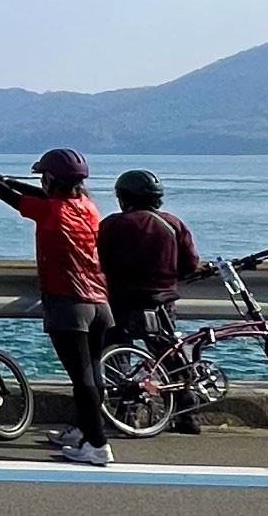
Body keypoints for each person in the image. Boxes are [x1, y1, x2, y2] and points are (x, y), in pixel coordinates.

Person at [0, 149, 113, 465]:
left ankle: (97, 444)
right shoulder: (88, 207)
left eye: (43, 176)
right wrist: (3, 178)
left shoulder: (51, 212)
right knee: (93, 373)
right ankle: (81, 432)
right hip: (100, 304)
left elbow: (15, 199)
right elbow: (36, 195)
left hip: (69, 304)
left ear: (50, 179)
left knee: (83, 380)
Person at [98, 169, 202, 435]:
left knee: (116, 352)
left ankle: (124, 411)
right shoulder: (173, 224)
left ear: (124, 197)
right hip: (161, 302)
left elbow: (98, 261)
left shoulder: (112, 224)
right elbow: (189, 266)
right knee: (169, 355)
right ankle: (187, 412)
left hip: (120, 300)